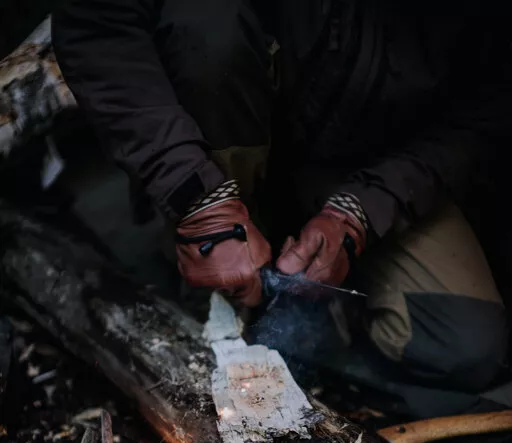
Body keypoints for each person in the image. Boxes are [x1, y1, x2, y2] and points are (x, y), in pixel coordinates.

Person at [51, 1, 512, 414]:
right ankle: (216, 283)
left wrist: (357, 215)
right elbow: (96, 23)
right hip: (227, 139)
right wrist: (197, 201)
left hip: (368, 167)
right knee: (205, 27)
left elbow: (478, 121)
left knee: (466, 347)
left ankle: (318, 312)